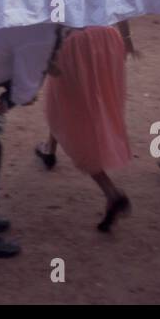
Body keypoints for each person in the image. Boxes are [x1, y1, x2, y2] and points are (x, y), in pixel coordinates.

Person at [35, 22, 134, 231]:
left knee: (74, 112)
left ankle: (110, 192)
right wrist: (126, 40)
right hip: (107, 38)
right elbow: (122, 0)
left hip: (75, 43)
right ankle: (49, 149)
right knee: (67, 102)